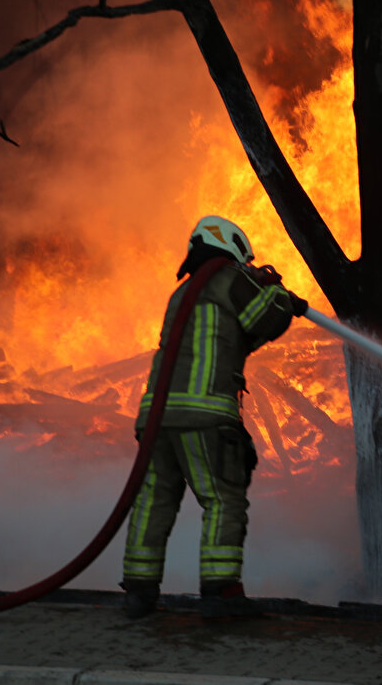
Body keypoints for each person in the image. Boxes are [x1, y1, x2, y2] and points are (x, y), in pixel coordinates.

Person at [120, 215, 307, 620]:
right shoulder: (229, 279)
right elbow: (265, 316)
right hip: (204, 416)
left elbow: (238, 336)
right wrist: (282, 297)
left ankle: (139, 592)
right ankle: (221, 594)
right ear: (232, 248)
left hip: (156, 417)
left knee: (154, 500)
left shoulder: (182, 293)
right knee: (222, 499)